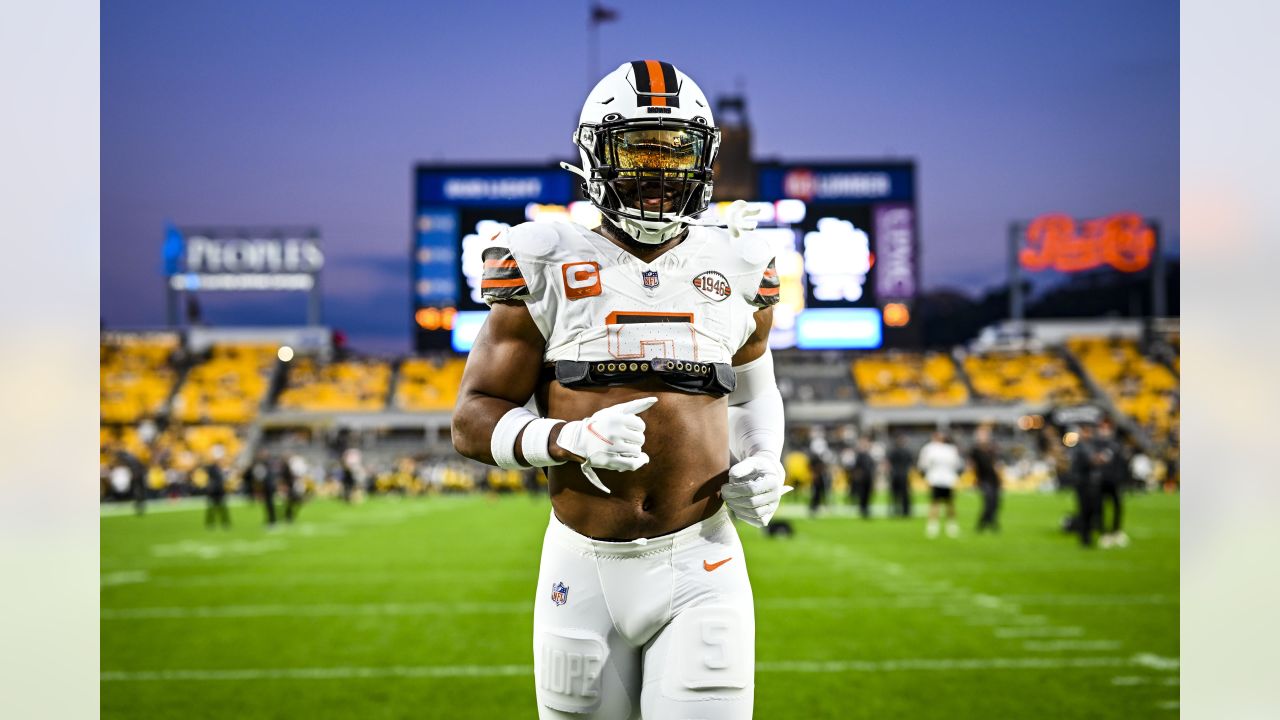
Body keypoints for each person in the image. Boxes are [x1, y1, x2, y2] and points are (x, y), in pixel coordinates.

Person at [452, 60, 786, 719]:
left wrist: (763, 456)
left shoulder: (742, 262)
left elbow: (751, 396)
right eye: (638, 148)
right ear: (594, 154)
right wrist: (566, 438)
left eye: (676, 150)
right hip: (584, 564)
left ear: (706, 158)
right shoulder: (542, 255)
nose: (660, 170)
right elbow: (472, 417)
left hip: (703, 557)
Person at [918, 430, 963, 538]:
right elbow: (924, 464)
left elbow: (956, 464)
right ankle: (933, 525)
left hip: (947, 479)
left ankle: (951, 525)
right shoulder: (930, 448)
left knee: (949, 503)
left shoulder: (950, 449)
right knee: (935, 502)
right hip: (936, 479)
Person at [1095, 420, 1130, 548]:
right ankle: (1104, 533)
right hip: (1101, 480)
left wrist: (1122, 479)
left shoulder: (1116, 444)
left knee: (1117, 506)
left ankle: (1116, 531)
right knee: (1101, 508)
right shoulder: (1096, 443)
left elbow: (1121, 464)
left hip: (1114, 480)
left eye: (1107, 427)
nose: (1104, 430)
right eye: (1102, 427)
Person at [1069, 423, 1103, 547]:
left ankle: (1087, 536)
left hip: (1088, 482)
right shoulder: (1081, 447)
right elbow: (1092, 460)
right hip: (1083, 482)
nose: (1088, 434)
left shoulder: (1089, 445)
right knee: (1085, 510)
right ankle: (1085, 537)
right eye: (1086, 431)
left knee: (1089, 510)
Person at [970, 426, 1002, 533]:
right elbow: (972, 466)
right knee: (988, 501)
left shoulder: (991, 449)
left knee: (996, 502)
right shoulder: (975, 450)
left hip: (994, 479)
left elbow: (996, 464)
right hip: (983, 479)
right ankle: (982, 524)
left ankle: (991, 522)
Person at [847, 435, 876, 519]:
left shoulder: (869, 454)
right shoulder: (859, 455)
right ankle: (863, 509)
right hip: (862, 477)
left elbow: (872, 466)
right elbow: (856, 467)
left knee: (868, 494)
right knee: (862, 494)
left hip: (869, 477)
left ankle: (866, 508)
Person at [886, 433, 914, 518]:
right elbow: (911, 464)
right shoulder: (906, 451)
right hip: (903, 475)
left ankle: (895, 511)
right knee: (904, 494)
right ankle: (905, 511)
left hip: (895, 475)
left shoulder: (893, 451)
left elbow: (888, 464)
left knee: (895, 495)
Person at [204, 444, 231, 529]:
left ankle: (225, 522)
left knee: (222, 508)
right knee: (212, 508)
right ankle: (210, 523)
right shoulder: (212, 467)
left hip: (220, 491)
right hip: (213, 491)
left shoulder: (221, 467)